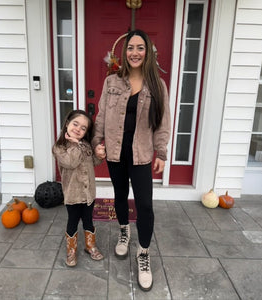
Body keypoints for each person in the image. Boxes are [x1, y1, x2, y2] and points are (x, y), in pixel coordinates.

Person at [92, 29, 171, 291]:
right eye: (130, 48)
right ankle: (124, 230)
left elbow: (162, 122)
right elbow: (102, 115)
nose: (134, 53)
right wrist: (97, 142)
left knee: (145, 205)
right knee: (119, 195)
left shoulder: (157, 85)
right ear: (124, 53)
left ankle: (144, 253)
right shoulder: (112, 81)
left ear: (147, 52)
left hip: (141, 155)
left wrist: (161, 152)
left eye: (139, 47)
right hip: (115, 152)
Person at [52, 110, 103, 267]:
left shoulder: (85, 144)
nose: (78, 129)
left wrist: (99, 155)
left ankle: (90, 246)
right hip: (73, 194)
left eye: (83, 128)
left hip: (88, 193)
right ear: (67, 123)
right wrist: (74, 144)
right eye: (75, 124)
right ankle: (71, 250)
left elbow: (93, 162)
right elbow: (71, 162)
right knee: (73, 221)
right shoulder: (59, 148)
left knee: (88, 220)